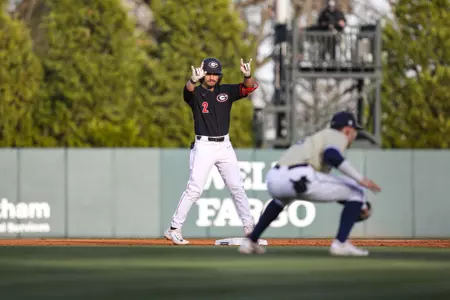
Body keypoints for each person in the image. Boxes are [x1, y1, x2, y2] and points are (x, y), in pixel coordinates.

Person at [238, 111, 381, 256]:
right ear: (347, 130)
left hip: (274, 178)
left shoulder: (316, 138)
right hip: (300, 175)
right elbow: (331, 155)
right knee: (357, 191)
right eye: (354, 132)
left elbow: (330, 189)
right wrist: (360, 179)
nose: (354, 136)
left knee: (280, 201)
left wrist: (356, 205)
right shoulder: (337, 136)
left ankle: (250, 241)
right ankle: (341, 243)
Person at [164, 57, 259, 245]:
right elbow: (187, 92)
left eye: (215, 74)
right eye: (209, 73)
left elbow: (248, 87)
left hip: (224, 145)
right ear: (203, 74)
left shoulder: (226, 91)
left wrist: (247, 75)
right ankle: (174, 228)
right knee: (195, 189)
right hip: (204, 145)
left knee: (237, 187)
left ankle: (250, 229)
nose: (212, 77)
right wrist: (192, 80)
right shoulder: (197, 93)